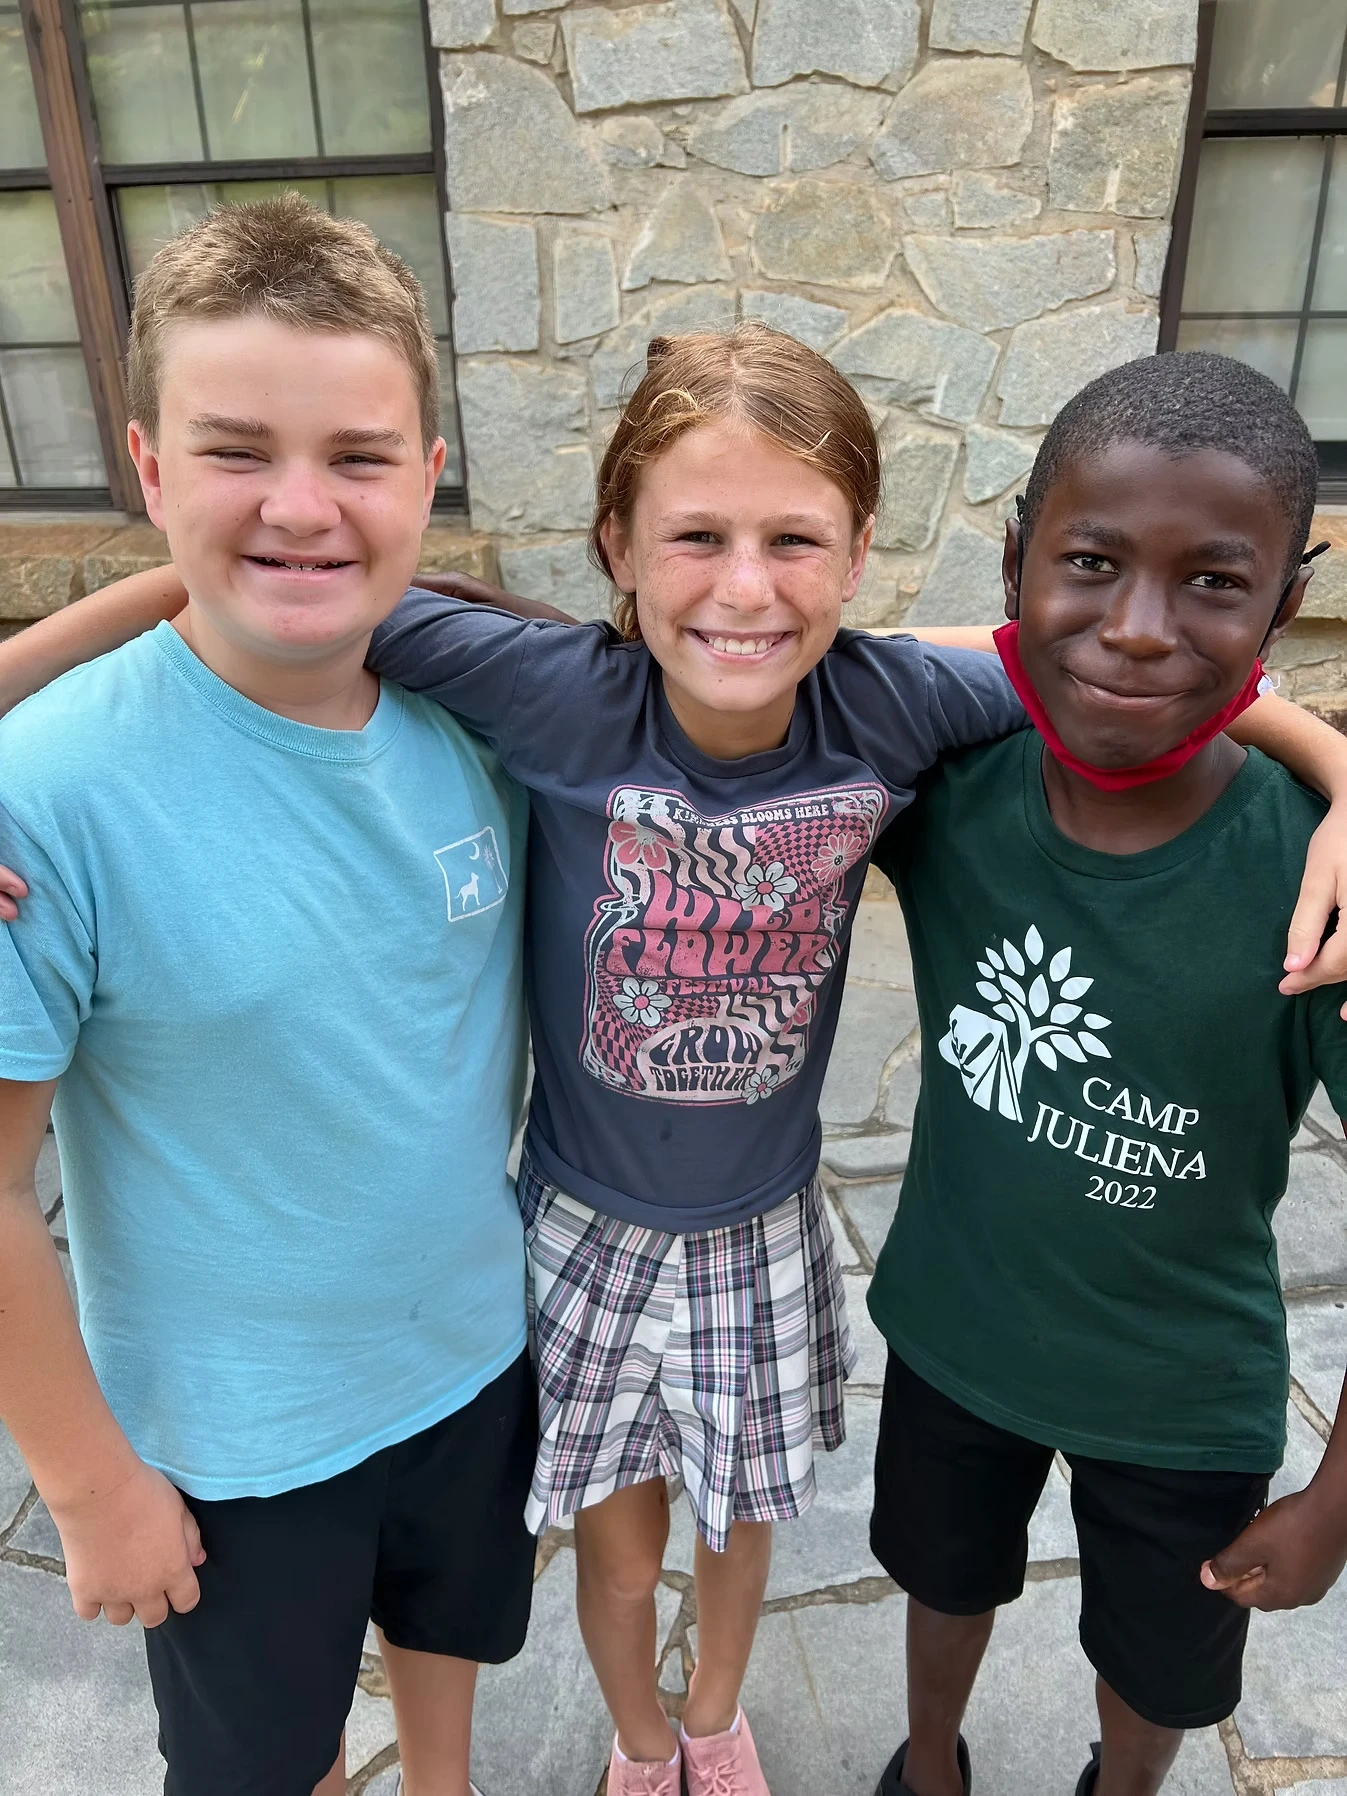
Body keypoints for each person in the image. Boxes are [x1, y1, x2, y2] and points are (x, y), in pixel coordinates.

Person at [12, 328, 1347, 1796]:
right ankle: (640, 1742)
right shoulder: (543, 687)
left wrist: (1338, 772)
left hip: (761, 1227)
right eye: (694, 537)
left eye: (794, 541)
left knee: (739, 1517)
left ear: (853, 561)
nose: (742, 586)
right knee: (615, 1528)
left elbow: (1088, 659)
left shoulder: (891, 705)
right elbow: (252, 590)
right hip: (580, 1221)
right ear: (617, 550)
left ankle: (713, 1718)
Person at [0, 195, 536, 1796]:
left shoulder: (495, 715)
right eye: (235, 451)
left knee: (455, 1649)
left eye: (359, 457)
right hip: (231, 1437)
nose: (302, 507)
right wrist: (85, 1480)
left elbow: (824, 658)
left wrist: (1321, 752)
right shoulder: (47, 797)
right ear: (150, 468)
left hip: (470, 1347)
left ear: (427, 481)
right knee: (257, 1763)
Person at [865, 352, 1347, 1796]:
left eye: (1211, 581)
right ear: (1013, 559)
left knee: (1157, 1668)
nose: (1136, 631)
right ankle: (931, 1764)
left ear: (1286, 598)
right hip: (956, 1333)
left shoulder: (1312, 883)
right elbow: (786, 657)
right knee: (943, 1588)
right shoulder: (943, 783)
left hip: (1179, 1392)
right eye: (1086, 562)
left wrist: (1337, 1496)